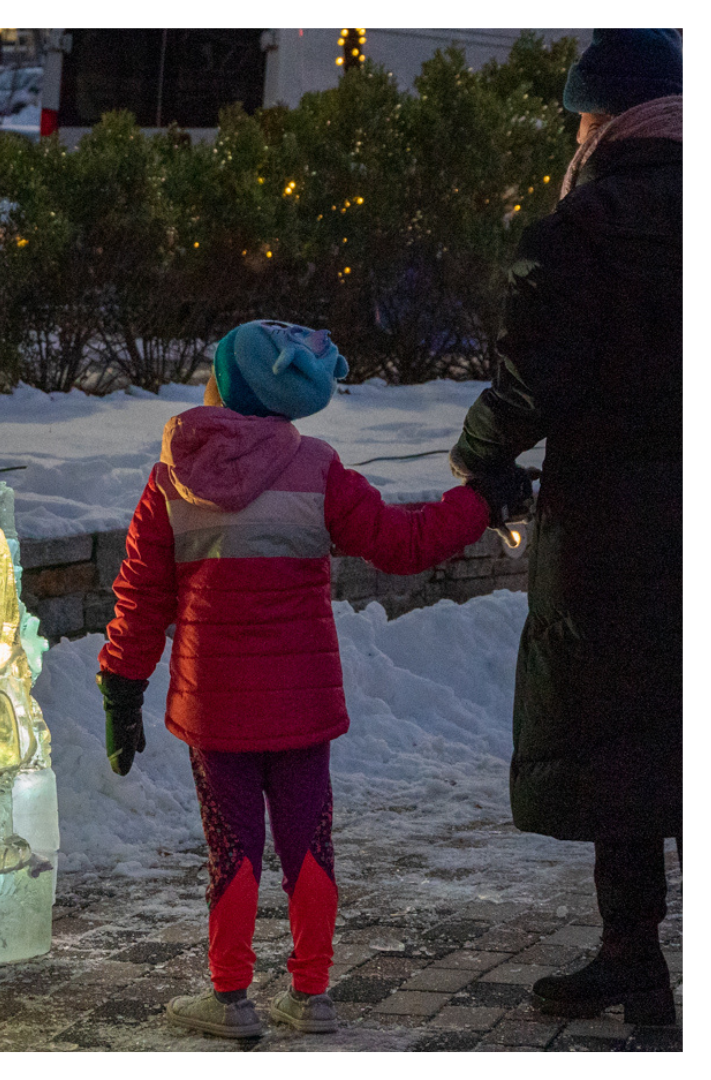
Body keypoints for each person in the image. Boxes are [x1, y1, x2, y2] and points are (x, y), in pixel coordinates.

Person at [98, 319, 492, 1039]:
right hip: (302, 704)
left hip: (215, 707)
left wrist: (120, 690)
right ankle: (310, 993)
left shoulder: (170, 480)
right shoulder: (317, 469)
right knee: (309, 843)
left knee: (233, 847)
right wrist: (482, 502)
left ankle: (229, 998)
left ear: (226, 384)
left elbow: (141, 595)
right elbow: (403, 545)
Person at [448, 29, 682, 1025]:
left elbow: (535, 374)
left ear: (601, 122)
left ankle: (635, 957)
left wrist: (480, 456)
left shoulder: (584, 229)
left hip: (619, 530)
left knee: (624, 738)